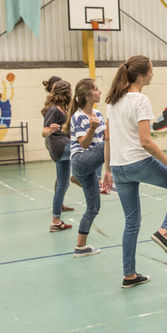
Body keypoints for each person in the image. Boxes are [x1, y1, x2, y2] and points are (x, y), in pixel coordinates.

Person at [106, 55, 167, 289]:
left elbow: (108, 138)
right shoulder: (140, 100)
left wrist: (108, 170)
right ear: (142, 75)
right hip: (138, 163)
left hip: (119, 168)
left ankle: (129, 275)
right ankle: (164, 232)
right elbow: (146, 141)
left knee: (131, 222)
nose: (153, 74)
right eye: (152, 71)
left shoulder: (112, 101)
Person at [61, 78, 111, 257]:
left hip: (91, 167)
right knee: (109, 144)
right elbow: (84, 144)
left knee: (94, 207)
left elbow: (106, 135)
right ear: (89, 95)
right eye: (97, 90)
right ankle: (78, 175)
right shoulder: (78, 116)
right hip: (81, 160)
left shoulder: (97, 113)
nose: (100, 92)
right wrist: (92, 128)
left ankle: (80, 247)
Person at [42, 80, 76, 231]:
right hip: (59, 145)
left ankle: (55, 221)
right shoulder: (53, 110)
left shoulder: (65, 109)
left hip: (63, 146)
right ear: (65, 92)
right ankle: (86, 177)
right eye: (70, 90)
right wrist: (50, 129)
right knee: (85, 148)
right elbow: (43, 132)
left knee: (63, 183)